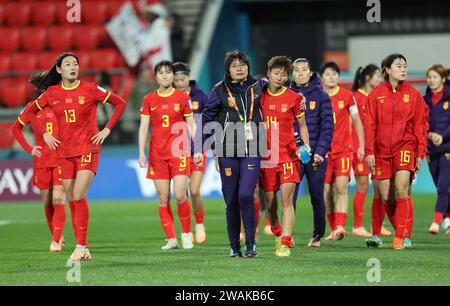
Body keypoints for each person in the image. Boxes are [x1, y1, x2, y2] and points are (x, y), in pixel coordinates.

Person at [24, 52, 128, 261]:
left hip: (88, 149)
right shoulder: (52, 93)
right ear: (60, 70)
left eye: (76, 63)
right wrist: (44, 133)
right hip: (64, 153)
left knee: (78, 195)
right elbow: (29, 113)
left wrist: (106, 130)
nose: (73, 67)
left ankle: (80, 246)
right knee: (72, 199)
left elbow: (120, 103)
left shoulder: (90, 89)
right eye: (68, 64)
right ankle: (84, 248)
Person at [198, 50, 267, 258]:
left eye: (243, 64)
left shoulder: (259, 87)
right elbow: (206, 117)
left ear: (248, 67)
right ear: (228, 69)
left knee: (246, 194)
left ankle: (251, 244)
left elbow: (283, 90)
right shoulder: (219, 90)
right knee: (232, 200)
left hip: (253, 148)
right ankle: (234, 246)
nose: (239, 67)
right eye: (234, 65)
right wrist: (198, 147)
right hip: (227, 150)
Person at [365, 54, 427, 249]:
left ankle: (400, 237)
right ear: (387, 70)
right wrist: (369, 151)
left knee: (401, 189)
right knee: (386, 197)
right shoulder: (376, 94)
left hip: (405, 147)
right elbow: (369, 125)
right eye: (398, 65)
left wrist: (420, 153)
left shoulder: (414, 94)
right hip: (381, 151)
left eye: (405, 65)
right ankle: (403, 231)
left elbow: (420, 126)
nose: (403, 69)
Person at [139, 60, 197, 250]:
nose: (165, 75)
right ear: (156, 77)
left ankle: (187, 234)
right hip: (157, 154)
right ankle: (171, 238)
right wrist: (141, 152)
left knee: (180, 194)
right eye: (161, 72)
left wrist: (196, 149)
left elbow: (191, 124)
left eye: (168, 72)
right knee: (163, 197)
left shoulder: (181, 98)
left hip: (179, 152)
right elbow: (144, 128)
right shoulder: (149, 99)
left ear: (173, 75)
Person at [260, 56, 310, 257]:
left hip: (289, 156)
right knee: (271, 205)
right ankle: (277, 231)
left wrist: (306, 147)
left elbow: (303, 126)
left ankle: (286, 241)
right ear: (269, 73)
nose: (280, 77)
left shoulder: (294, 98)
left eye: (283, 74)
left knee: (287, 201)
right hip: (266, 158)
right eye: (276, 73)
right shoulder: (258, 95)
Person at [287, 58, 334, 248]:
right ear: (292, 74)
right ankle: (287, 236)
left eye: (304, 69)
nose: (300, 73)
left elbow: (328, 127)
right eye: (296, 70)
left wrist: (320, 152)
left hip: (315, 156)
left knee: (316, 196)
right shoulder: (287, 94)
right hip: (293, 155)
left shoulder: (322, 95)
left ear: (310, 72)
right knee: (289, 197)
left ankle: (317, 236)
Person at [12, 102, 66, 252]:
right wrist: (29, 148)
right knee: (48, 204)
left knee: (58, 199)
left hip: (61, 159)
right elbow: (16, 128)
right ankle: (57, 235)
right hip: (42, 161)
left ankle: (56, 241)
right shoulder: (33, 108)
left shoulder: (63, 102)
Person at [320, 62, 365, 240]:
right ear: (322, 77)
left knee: (341, 188)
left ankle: (340, 226)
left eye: (334, 74)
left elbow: (357, 121)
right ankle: (333, 228)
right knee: (326, 192)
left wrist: (361, 145)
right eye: (328, 74)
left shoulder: (347, 96)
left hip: (343, 150)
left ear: (338, 77)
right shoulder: (318, 97)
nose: (331, 77)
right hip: (323, 152)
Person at [350, 64, 392, 237]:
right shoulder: (356, 97)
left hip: (375, 148)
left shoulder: (377, 96)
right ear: (367, 78)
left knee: (377, 187)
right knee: (363, 185)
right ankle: (357, 226)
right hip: (359, 147)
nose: (380, 80)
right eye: (377, 76)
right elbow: (353, 124)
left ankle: (378, 225)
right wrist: (359, 146)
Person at [173, 61, 209, 243]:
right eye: (177, 79)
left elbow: (208, 121)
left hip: (198, 149)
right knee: (182, 193)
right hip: (177, 151)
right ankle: (185, 229)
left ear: (189, 77)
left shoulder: (201, 96)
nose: (180, 83)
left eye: (183, 78)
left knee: (194, 190)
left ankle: (200, 224)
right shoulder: (169, 96)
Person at [423, 64, 450, 235]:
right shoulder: (424, 99)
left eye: (435, 77)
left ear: (443, 79)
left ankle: (435, 222)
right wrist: (429, 134)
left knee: (443, 187)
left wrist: (443, 136)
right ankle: (448, 218)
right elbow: (421, 123)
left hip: (448, 147)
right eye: (429, 77)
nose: (431, 80)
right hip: (431, 149)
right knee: (440, 187)